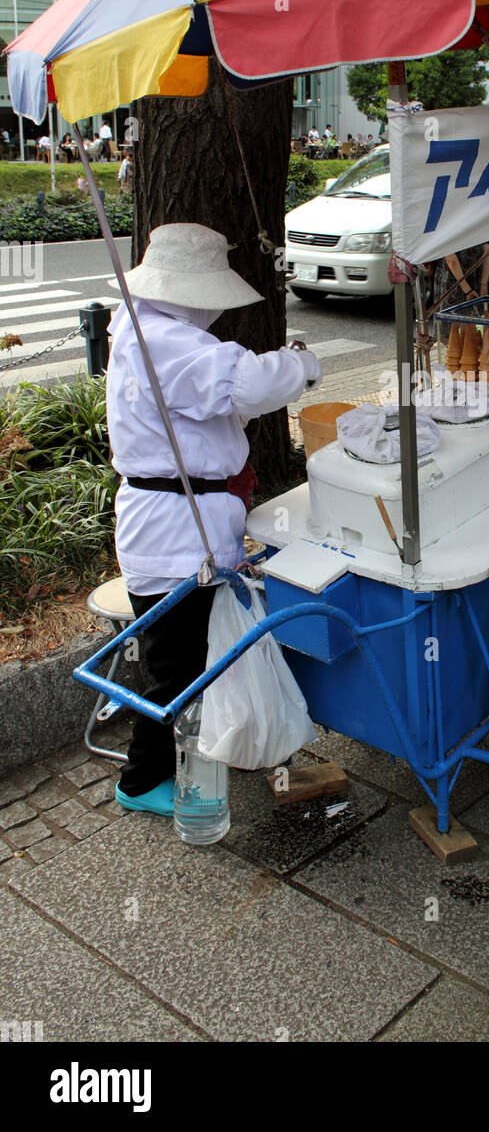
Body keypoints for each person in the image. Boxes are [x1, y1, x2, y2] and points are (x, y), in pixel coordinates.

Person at [106, 223, 323, 817]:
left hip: (169, 519)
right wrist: (304, 363)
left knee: (185, 652)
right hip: (176, 529)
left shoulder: (135, 328)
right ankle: (142, 779)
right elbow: (247, 383)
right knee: (173, 663)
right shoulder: (166, 343)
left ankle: (193, 748)